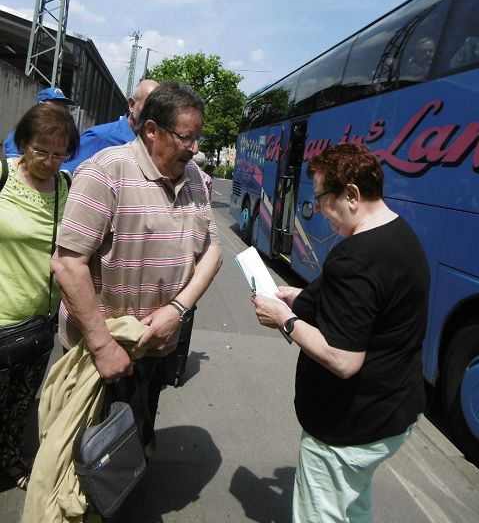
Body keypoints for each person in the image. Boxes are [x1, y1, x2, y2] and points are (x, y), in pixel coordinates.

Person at [251, 143, 430, 523]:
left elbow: (343, 359)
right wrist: (303, 298)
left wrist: (285, 319)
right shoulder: (401, 235)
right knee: (352, 506)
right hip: (394, 410)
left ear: (351, 194)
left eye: (320, 197)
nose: (316, 209)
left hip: (349, 426)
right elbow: (368, 308)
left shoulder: (355, 258)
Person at [51, 80, 222, 426]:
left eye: (197, 137)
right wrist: (103, 347)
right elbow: (67, 264)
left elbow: (212, 251)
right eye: (186, 137)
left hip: (156, 348)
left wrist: (177, 310)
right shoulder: (105, 172)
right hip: (98, 354)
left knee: (135, 441)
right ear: (151, 130)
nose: (194, 148)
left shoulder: (193, 177)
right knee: (86, 448)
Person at [0, 104, 79, 491]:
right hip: (1, 317)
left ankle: (10, 459)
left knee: (21, 402)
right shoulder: (3, 177)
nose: (49, 161)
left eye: (58, 154)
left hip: (39, 322)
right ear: (22, 144)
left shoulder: (67, 185)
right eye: (40, 151)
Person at [61, 78, 159, 173]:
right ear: (132, 105)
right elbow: (67, 176)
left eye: (160, 109)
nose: (155, 113)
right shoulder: (100, 138)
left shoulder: (155, 144)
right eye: (149, 106)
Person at [3, 86, 75, 158]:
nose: (60, 110)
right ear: (40, 105)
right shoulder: (24, 130)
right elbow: (13, 161)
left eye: (63, 106)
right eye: (56, 105)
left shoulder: (63, 134)